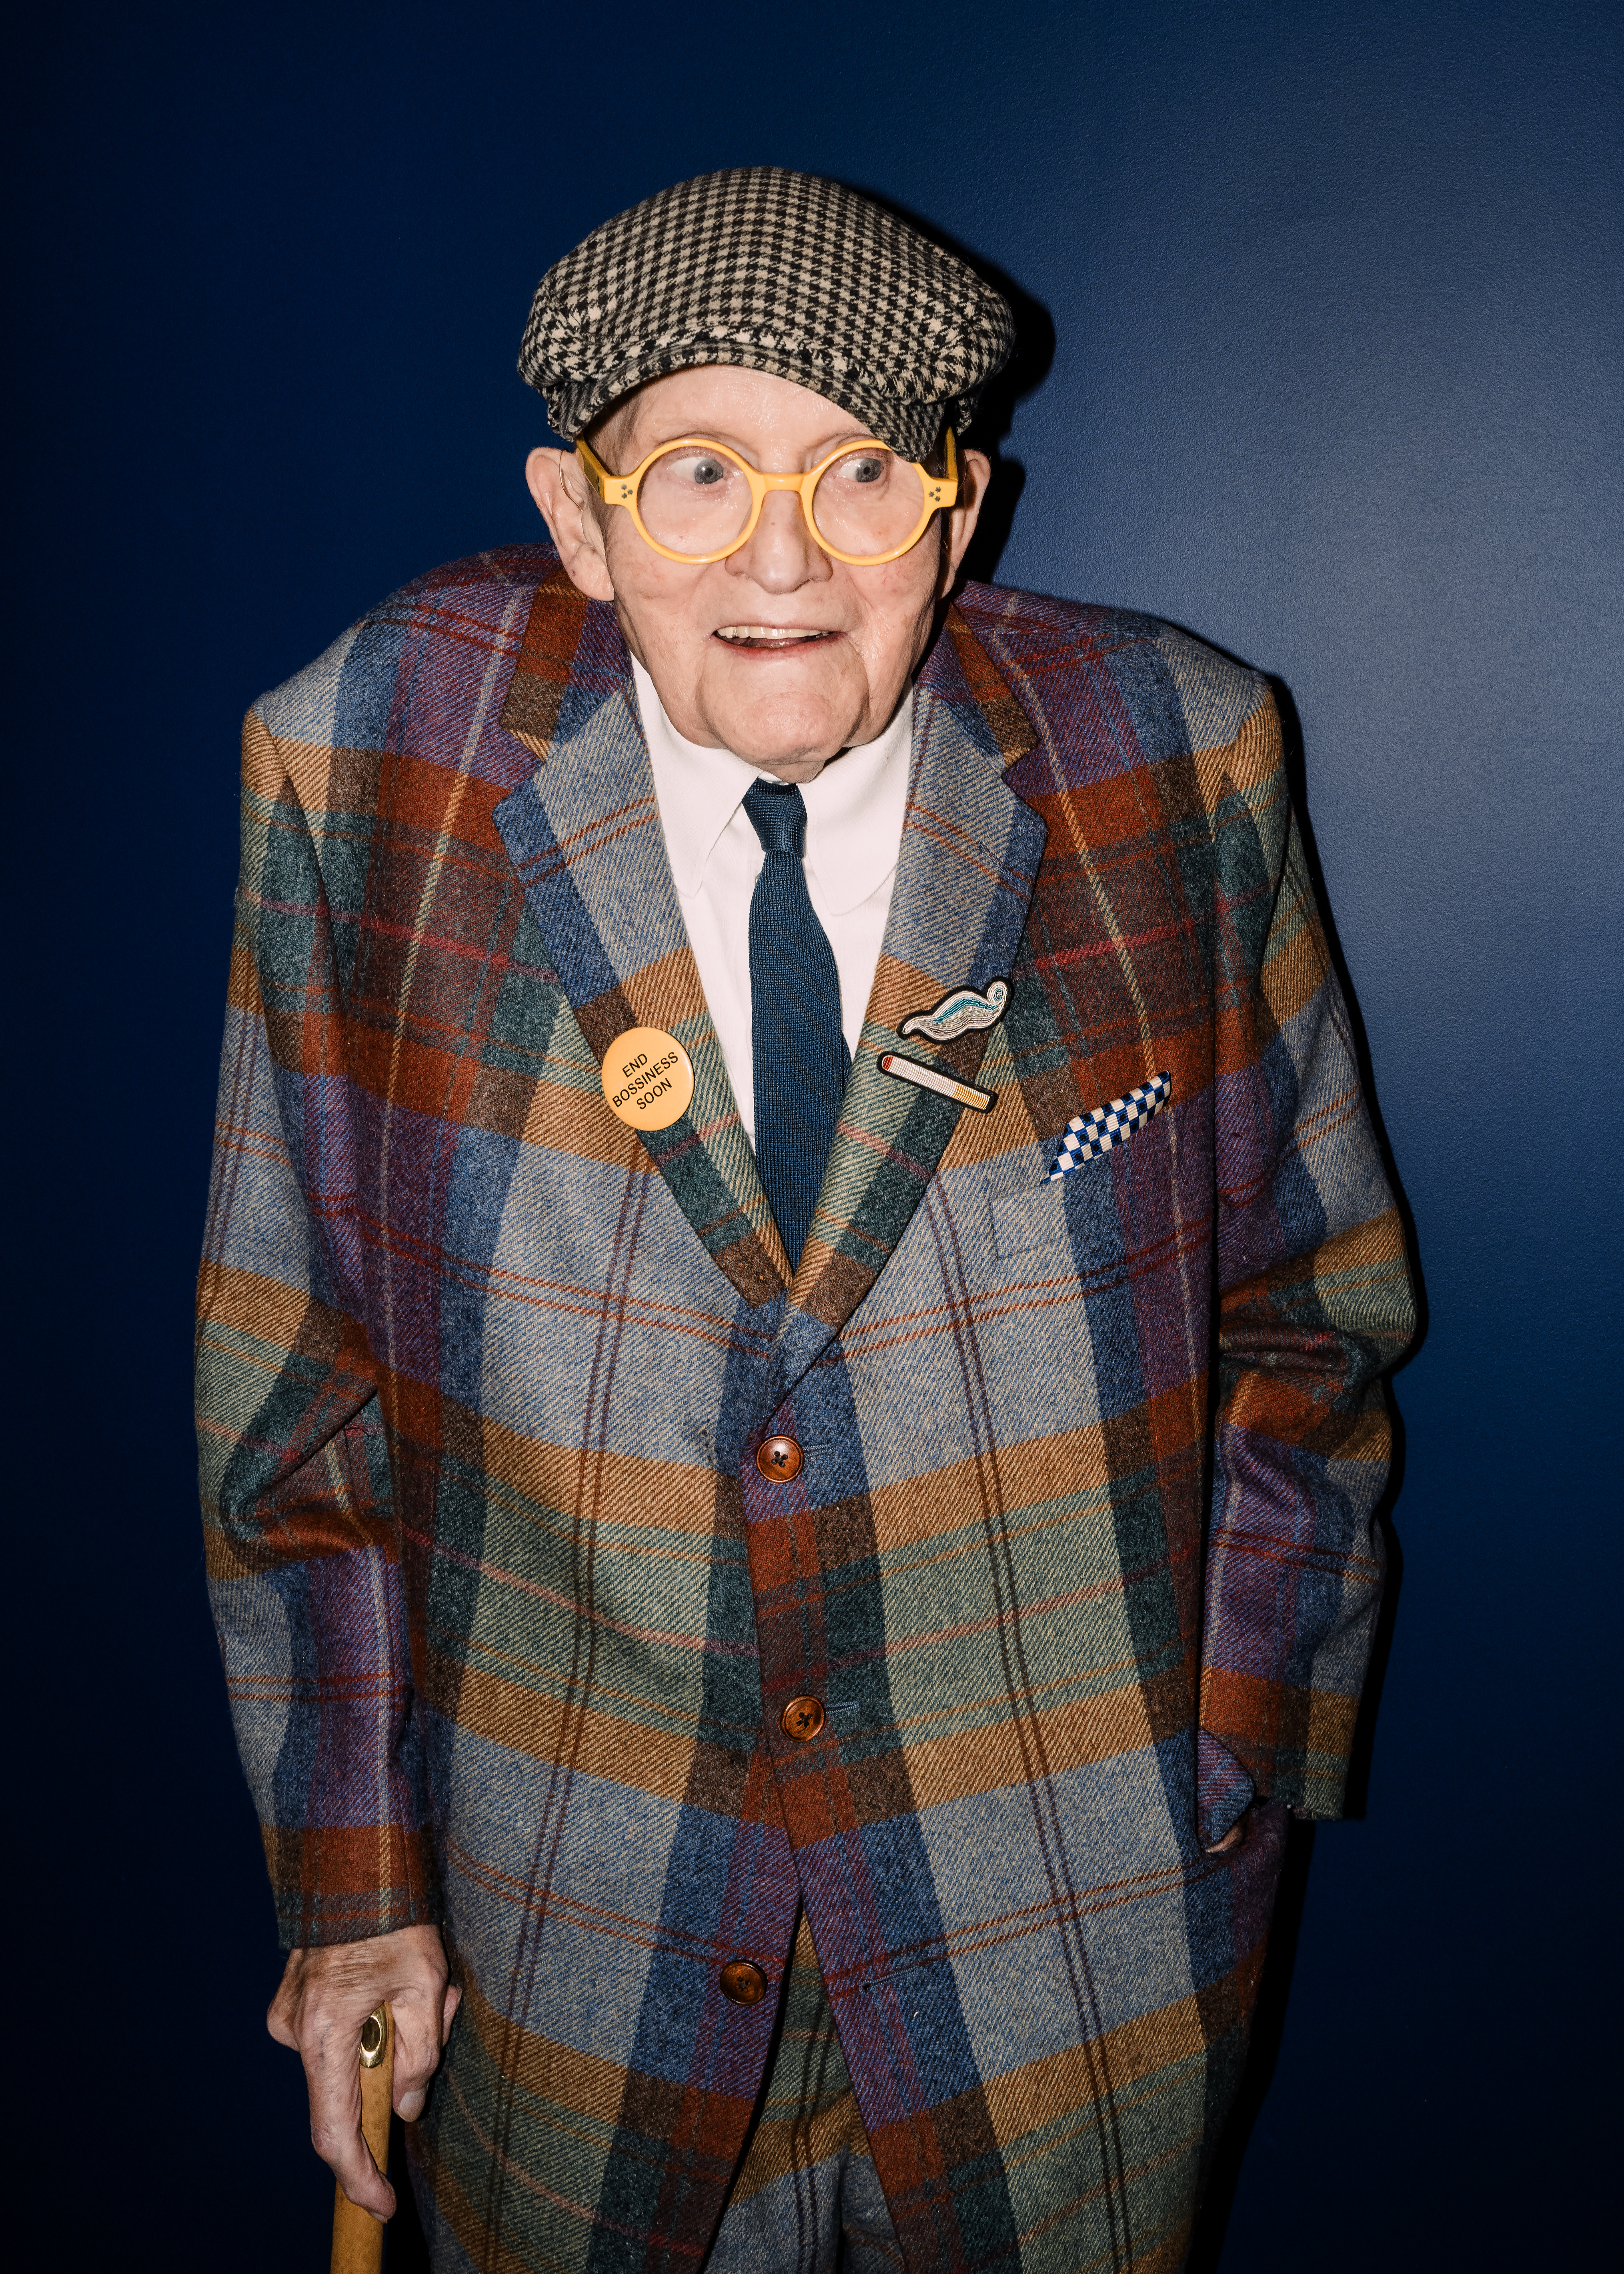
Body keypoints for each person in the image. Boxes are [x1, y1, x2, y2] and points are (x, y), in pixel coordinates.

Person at [196, 166, 1415, 2272]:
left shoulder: (1176, 761)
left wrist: (1231, 1773)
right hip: (568, 1958)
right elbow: (293, 1390)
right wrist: (352, 1879)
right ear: (579, 521)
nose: (783, 558)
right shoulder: (364, 763)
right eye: (697, 475)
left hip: (1069, 1956)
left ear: (960, 506)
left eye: (862, 473)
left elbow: (1315, 1317)